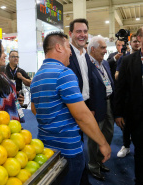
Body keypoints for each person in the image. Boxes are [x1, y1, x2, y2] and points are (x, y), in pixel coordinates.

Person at [30, 31, 111, 185]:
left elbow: (35, 110)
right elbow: (82, 116)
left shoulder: (37, 77)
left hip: (46, 149)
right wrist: (103, 143)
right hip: (68, 150)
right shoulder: (64, 74)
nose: (70, 53)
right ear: (59, 48)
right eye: (68, 47)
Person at [115, 27, 143, 185]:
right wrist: (118, 113)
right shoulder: (127, 61)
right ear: (139, 39)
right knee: (140, 152)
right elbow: (121, 89)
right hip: (137, 116)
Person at [68, 18, 93, 185]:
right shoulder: (66, 54)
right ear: (70, 34)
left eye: (84, 31)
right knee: (74, 150)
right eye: (78, 31)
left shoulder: (86, 55)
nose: (82, 35)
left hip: (86, 106)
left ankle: (82, 178)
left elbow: (88, 82)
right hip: (71, 110)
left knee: (81, 146)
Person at [87, 36, 114, 181]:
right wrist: (90, 107)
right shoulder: (86, 65)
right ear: (93, 49)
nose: (106, 50)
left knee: (109, 132)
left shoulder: (105, 64)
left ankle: (99, 160)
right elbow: (86, 89)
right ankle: (92, 165)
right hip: (96, 106)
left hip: (109, 103)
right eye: (102, 48)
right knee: (94, 137)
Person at [115, 33, 140, 158]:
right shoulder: (125, 59)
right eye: (134, 41)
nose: (136, 43)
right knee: (127, 126)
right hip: (129, 102)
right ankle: (126, 145)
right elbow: (119, 83)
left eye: (137, 41)